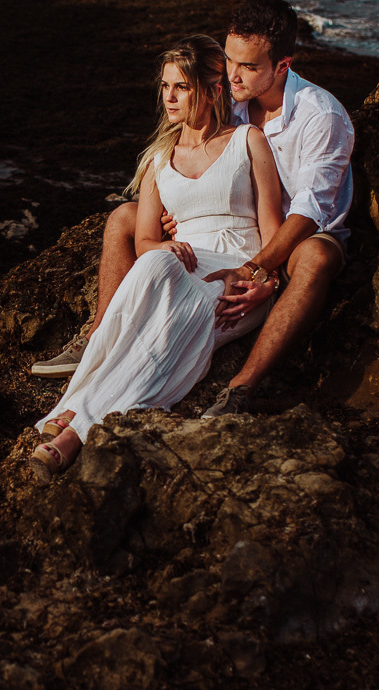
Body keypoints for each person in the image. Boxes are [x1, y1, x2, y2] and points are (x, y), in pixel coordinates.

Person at [30, 0, 354, 420]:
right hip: (243, 224)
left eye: (248, 66)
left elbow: (309, 211)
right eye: (229, 60)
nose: (232, 75)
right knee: (126, 217)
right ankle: (99, 335)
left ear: (282, 66)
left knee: (317, 255)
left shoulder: (320, 115)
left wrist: (259, 270)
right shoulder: (232, 97)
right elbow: (200, 154)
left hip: (297, 234)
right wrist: (176, 212)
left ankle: (242, 386)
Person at [29, 34, 283, 482]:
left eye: (181, 87)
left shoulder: (248, 141)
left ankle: (74, 426)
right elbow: (145, 240)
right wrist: (162, 246)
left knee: (172, 326)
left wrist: (263, 277)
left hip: (235, 274)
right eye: (165, 86)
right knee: (153, 265)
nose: (169, 96)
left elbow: (273, 231)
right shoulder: (159, 158)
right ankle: (80, 399)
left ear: (211, 90)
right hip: (181, 263)